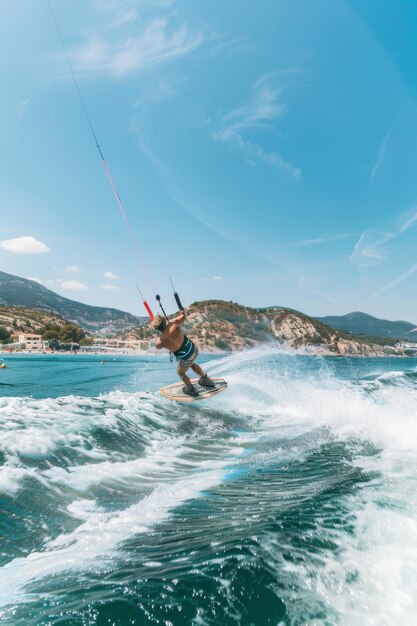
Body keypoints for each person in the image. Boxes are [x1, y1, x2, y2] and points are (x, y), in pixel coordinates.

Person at [152, 311, 215, 396]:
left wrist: (160, 333)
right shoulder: (174, 323)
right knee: (191, 363)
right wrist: (171, 319)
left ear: (157, 328)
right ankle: (205, 379)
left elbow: (158, 346)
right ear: (164, 319)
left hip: (186, 357)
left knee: (180, 372)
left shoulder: (160, 341)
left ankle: (191, 389)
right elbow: (183, 316)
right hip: (194, 350)